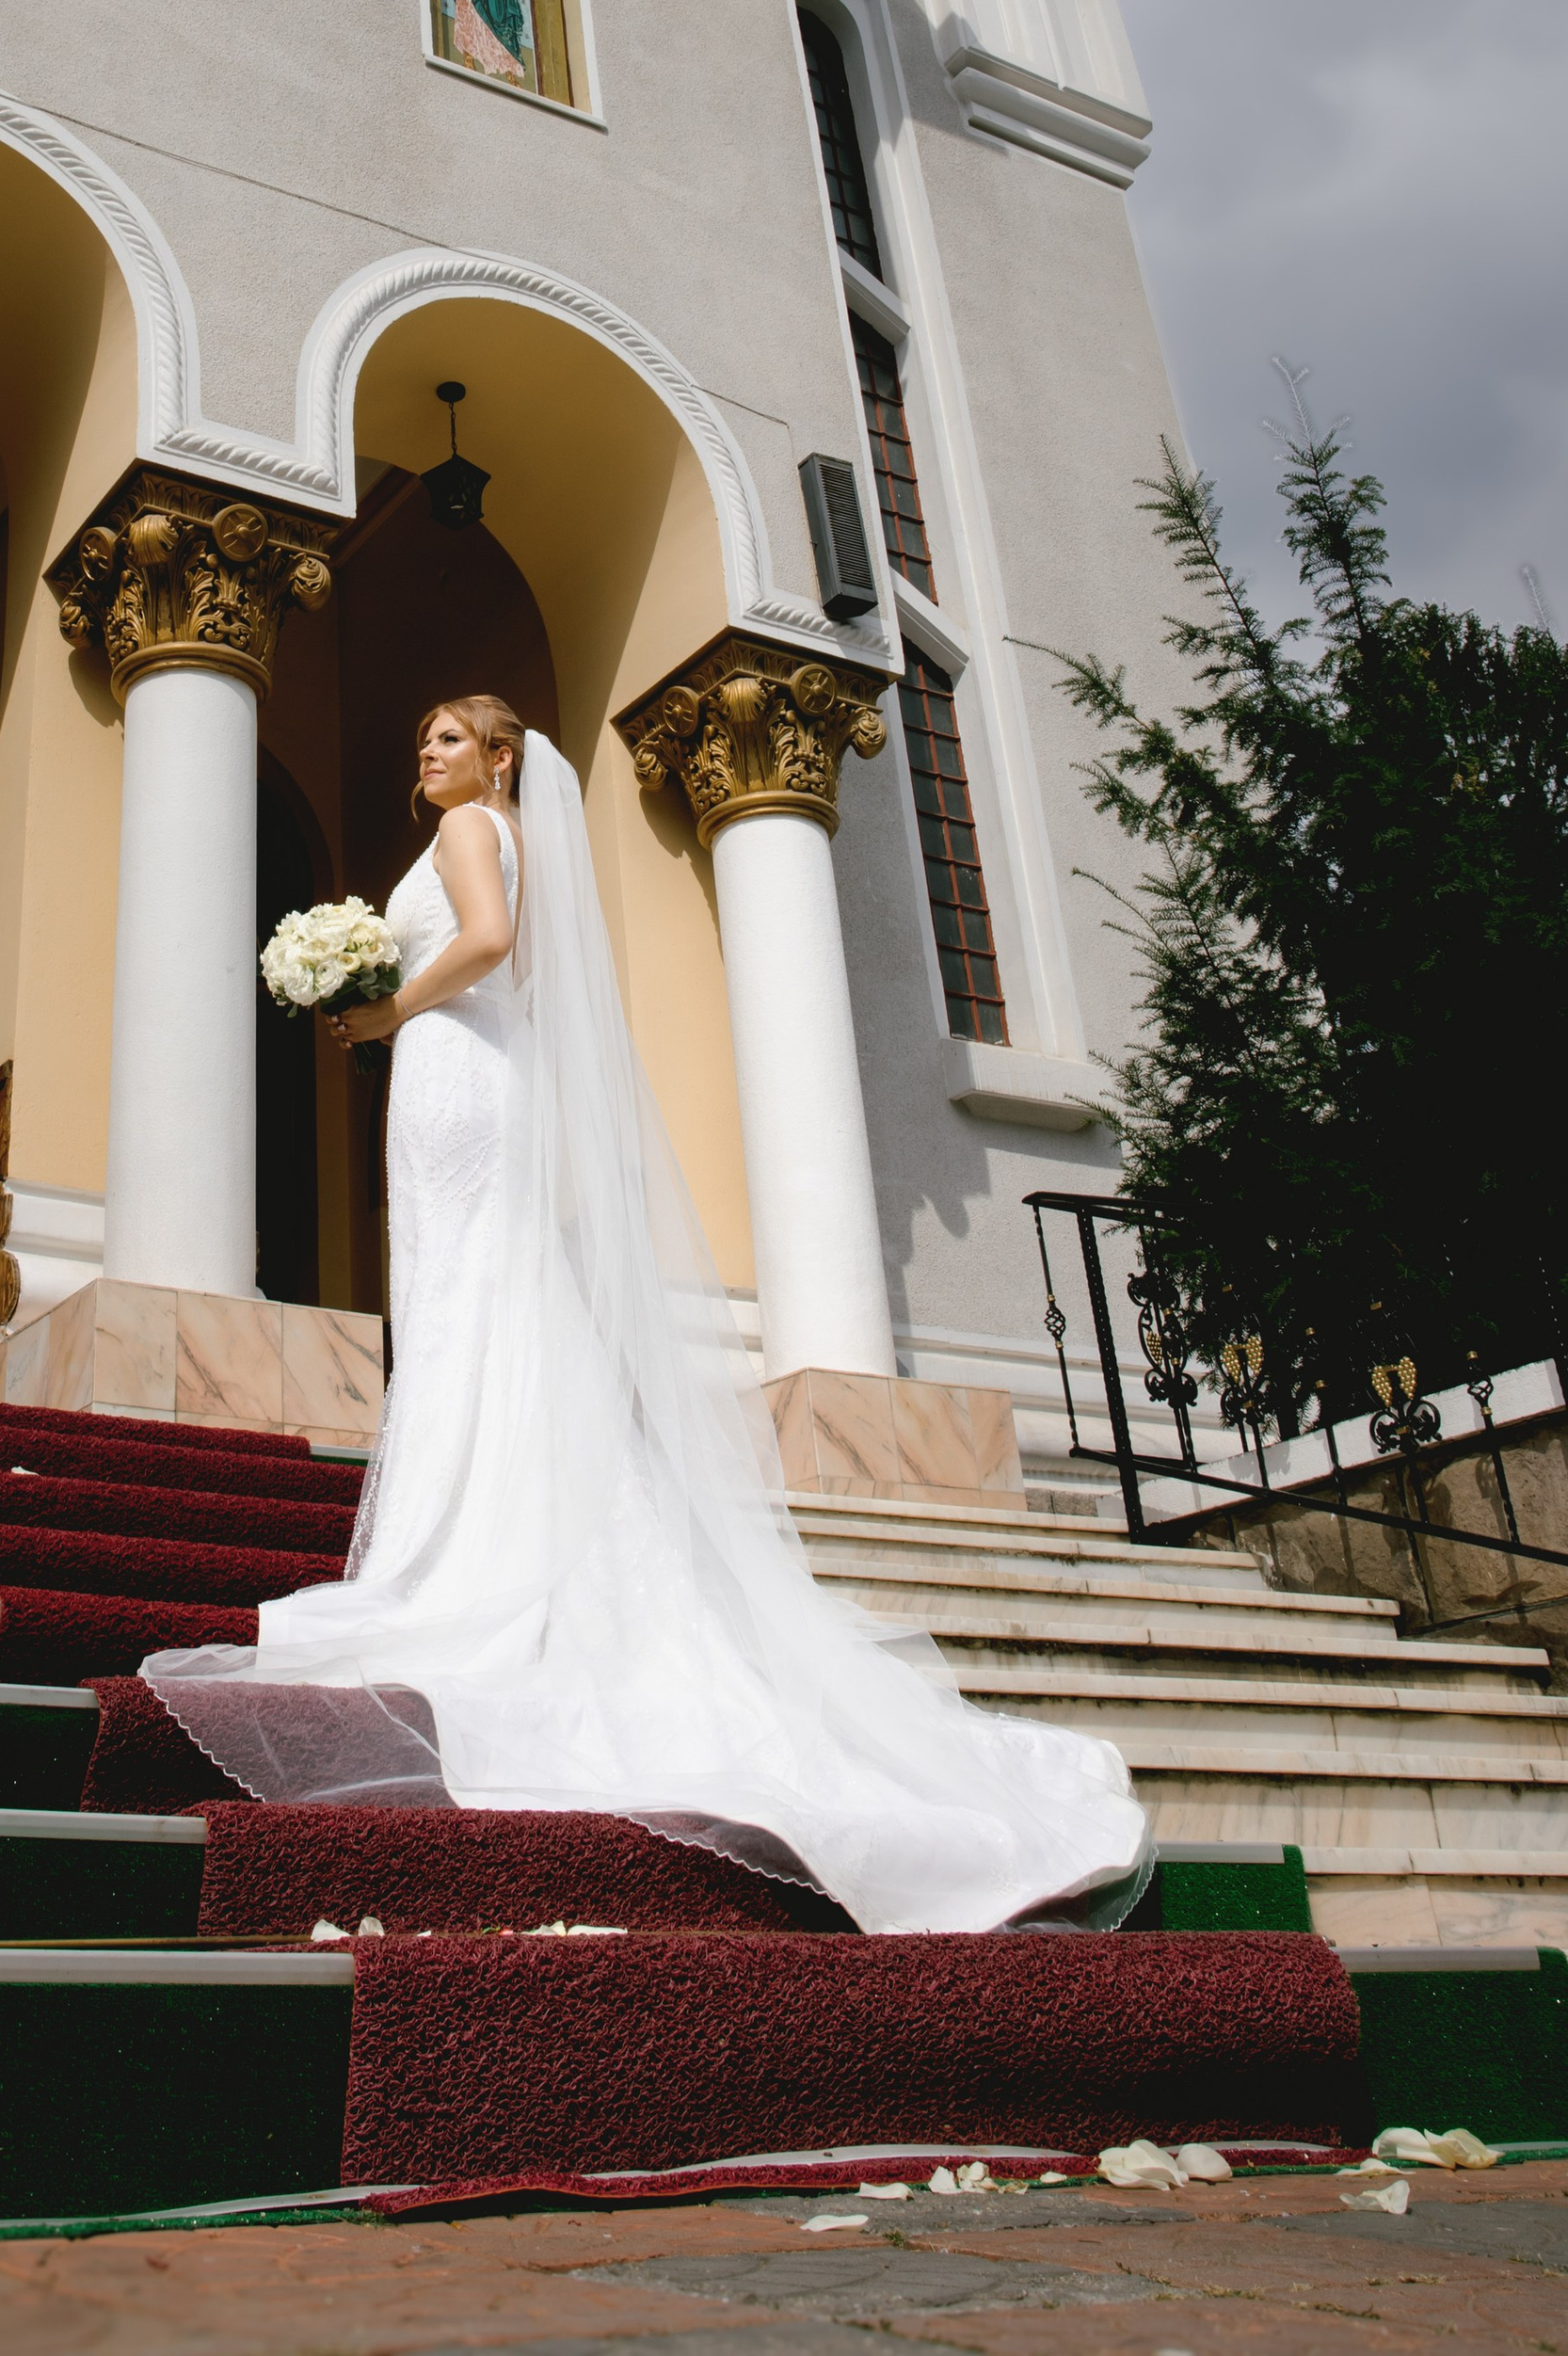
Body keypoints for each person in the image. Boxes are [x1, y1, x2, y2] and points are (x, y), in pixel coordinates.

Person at [143, 695, 1152, 1936]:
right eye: (424, 739)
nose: (428, 753)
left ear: (499, 760)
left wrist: (388, 1008)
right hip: (485, 1074)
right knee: (490, 1299)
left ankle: (460, 1558)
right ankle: (494, 1537)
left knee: (469, 1299)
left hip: (455, 1074)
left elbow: (488, 941)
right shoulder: (518, 835)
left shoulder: (471, 831)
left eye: (448, 739)